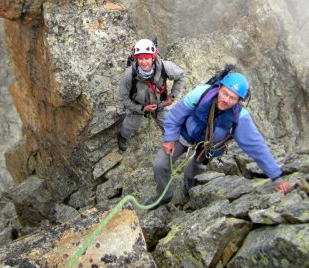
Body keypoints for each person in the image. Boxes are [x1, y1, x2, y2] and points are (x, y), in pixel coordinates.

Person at [146, 71, 292, 208]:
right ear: (219, 87)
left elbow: (256, 147)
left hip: (209, 147)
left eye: (232, 98)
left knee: (193, 174)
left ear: (239, 100)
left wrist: (276, 177)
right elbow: (175, 116)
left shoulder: (239, 117)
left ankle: (191, 193)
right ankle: (164, 195)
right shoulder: (200, 94)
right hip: (185, 135)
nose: (226, 100)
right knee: (160, 164)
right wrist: (169, 139)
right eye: (225, 93)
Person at [117, 39, 185, 152]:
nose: (144, 62)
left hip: (159, 103)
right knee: (130, 124)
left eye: (147, 58)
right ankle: (122, 137)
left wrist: (171, 97)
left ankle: (171, 142)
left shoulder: (165, 67)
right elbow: (123, 96)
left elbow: (181, 75)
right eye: (140, 58)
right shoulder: (130, 74)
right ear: (136, 59)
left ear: (153, 57)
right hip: (138, 105)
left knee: (167, 124)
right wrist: (142, 108)